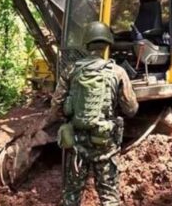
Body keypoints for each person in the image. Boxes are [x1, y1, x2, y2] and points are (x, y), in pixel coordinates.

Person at [52, 21, 138, 206]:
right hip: (105, 144)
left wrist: (68, 119)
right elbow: (131, 109)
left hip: (76, 143)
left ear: (86, 44)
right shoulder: (118, 72)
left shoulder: (71, 71)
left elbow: (55, 106)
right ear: (107, 44)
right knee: (109, 196)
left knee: (72, 196)